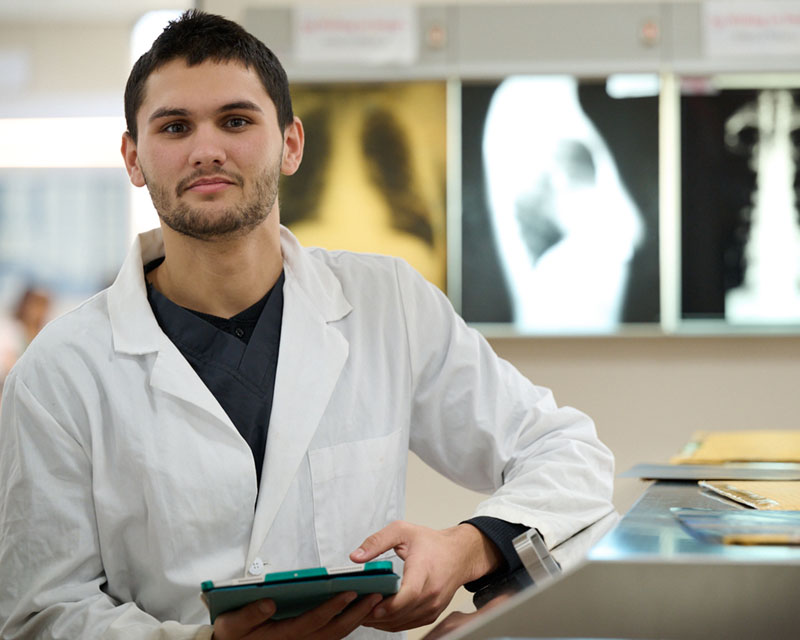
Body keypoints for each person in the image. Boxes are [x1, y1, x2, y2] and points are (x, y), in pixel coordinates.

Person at [0, 10, 615, 640]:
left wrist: (467, 548)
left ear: (291, 143)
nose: (206, 149)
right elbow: (40, 610)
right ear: (134, 157)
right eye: (175, 126)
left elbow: (568, 455)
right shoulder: (59, 373)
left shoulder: (387, 304)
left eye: (236, 121)